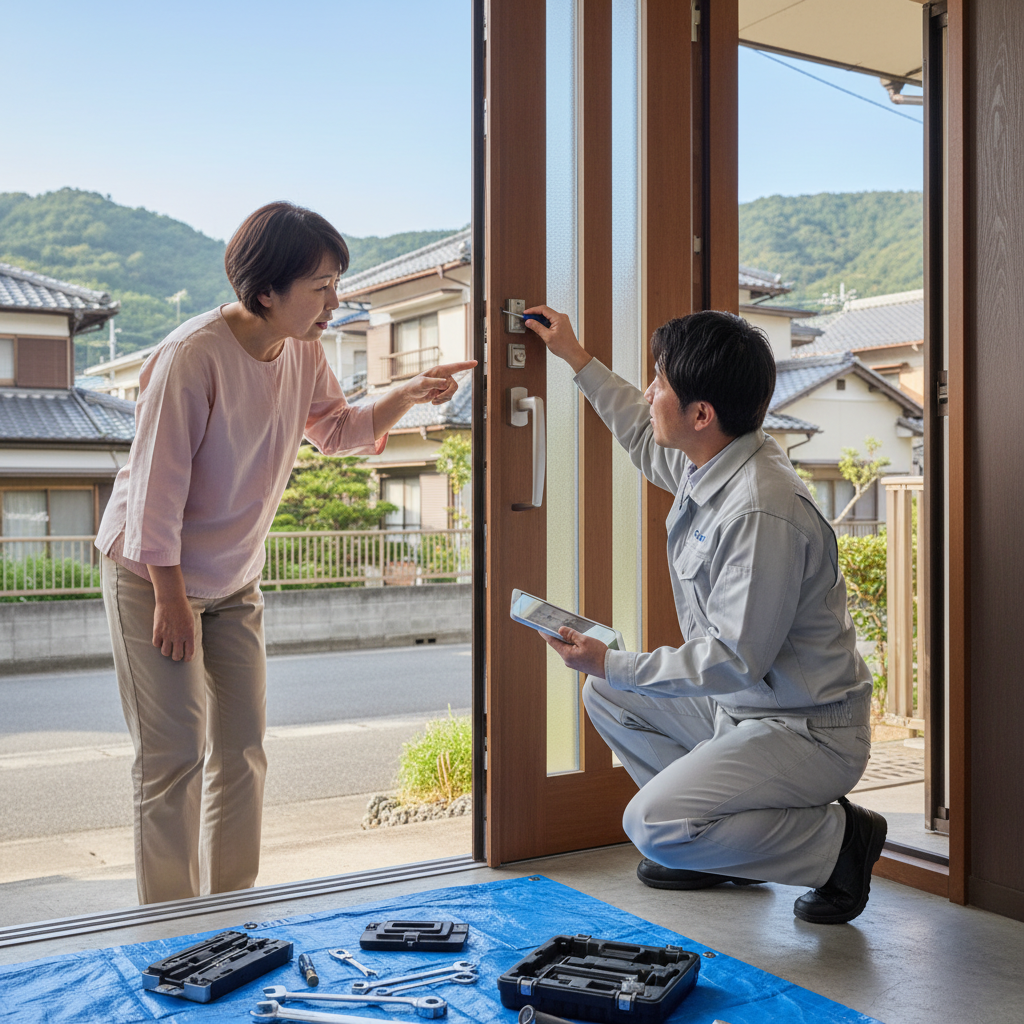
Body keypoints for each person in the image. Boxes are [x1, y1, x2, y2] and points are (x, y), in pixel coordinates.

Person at [95, 201, 475, 904]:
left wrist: (409, 394)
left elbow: (336, 430)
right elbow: (155, 491)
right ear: (267, 291)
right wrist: (170, 600)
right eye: (321, 287)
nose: (335, 302)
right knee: (174, 755)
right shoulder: (190, 357)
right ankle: (170, 927)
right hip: (153, 576)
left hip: (234, 579)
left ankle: (230, 913)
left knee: (242, 749)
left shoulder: (302, 348)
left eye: (336, 284)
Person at [524, 304, 887, 925]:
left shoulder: (759, 510)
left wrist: (613, 659)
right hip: (743, 712)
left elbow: (733, 659)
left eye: (660, 381)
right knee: (607, 693)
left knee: (652, 824)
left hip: (807, 731)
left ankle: (839, 845)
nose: (649, 392)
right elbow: (640, 434)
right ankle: (724, 850)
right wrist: (576, 357)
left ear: (700, 414)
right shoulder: (715, 459)